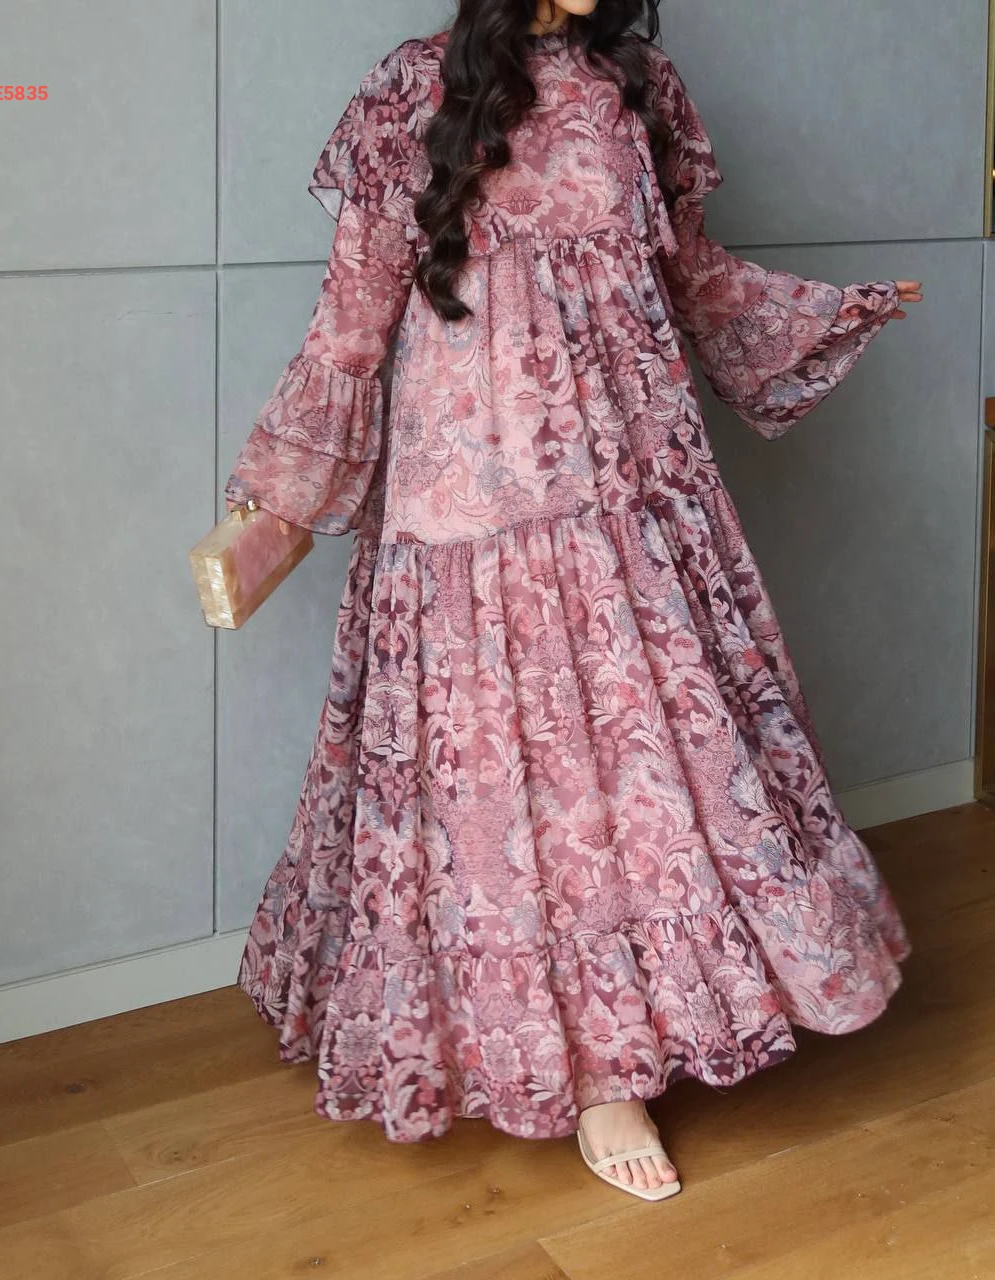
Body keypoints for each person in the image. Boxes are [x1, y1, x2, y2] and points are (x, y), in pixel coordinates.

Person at [224, 0, 920, 1202]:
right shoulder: (413, 91)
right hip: (468, 501)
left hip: (628, 486)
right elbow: (351, 319)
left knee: (636, 771)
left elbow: (690, 278)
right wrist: (275, 496)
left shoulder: (636, 87)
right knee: (508, 787)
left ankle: (622, 1056)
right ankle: (595, 1075)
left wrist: (820, 313)